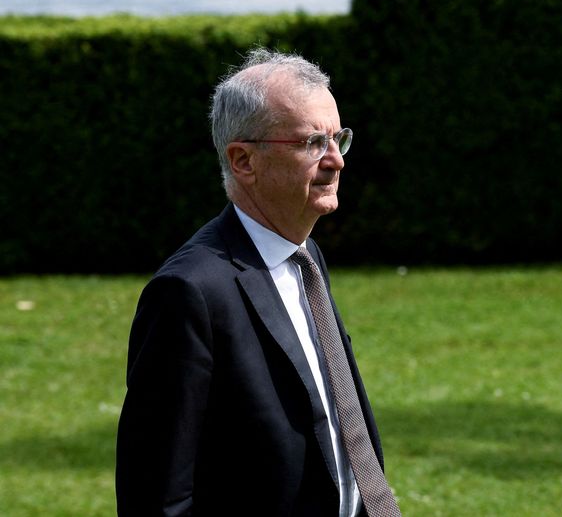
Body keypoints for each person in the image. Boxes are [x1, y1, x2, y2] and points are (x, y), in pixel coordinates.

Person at [116, 48, 400, 516]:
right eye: (312, 143)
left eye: (338, 139)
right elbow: (156, 497)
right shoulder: (189, 293)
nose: (336, 161)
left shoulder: (305, 257)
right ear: (244, 160)